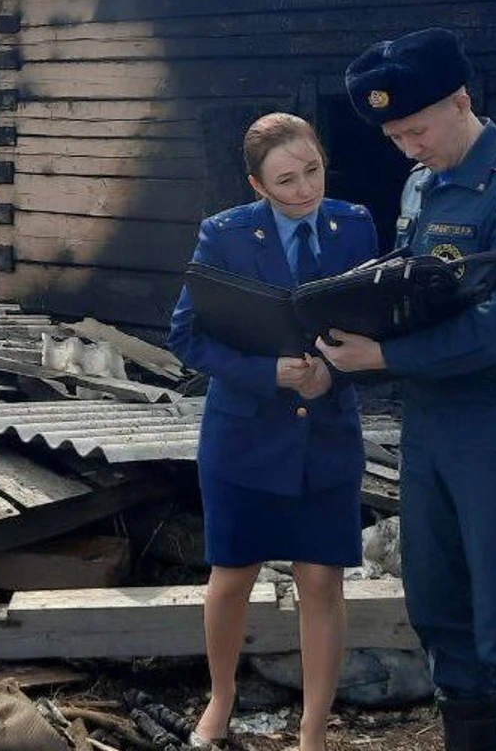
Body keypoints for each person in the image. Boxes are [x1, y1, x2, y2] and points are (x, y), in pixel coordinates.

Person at [317, 27, 496, 751]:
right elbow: (410, 286)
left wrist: (385, 355)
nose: (407, 148)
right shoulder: (422, 183)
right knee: (437, 610)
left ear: (462, 101)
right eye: (396, 136)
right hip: (429, 421)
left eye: (416, 130)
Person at [167, 112, 379, 751]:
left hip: (328, 437)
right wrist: (269, 373)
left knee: (322, 581)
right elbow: (187, 335)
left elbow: (376, 327)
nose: (304, 189)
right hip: (244, 437)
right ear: (257, 186)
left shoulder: (356, 226)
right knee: (232, 576)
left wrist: (331, 377)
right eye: (285, 180)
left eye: (311, 170)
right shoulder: (225, 236)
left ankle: (313, 729)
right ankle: (221, 696)